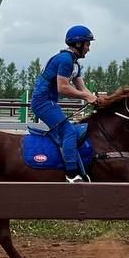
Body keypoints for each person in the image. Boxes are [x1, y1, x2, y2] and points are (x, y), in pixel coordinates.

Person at [30, 25, 99, 183]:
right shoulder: (65, 60)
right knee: (69, 132)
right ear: (78, 44)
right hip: (43, 102)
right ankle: (71, 174)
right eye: (87, 44)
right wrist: (87, 97)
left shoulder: (75, 63)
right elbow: (63, 87)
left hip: (49, 102)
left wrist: (96, 99)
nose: (89, 48)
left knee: (69, 130)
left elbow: (82, 88)